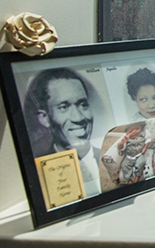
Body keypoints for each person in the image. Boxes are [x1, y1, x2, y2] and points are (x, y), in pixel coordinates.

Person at [26, 67, 102, 197]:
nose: (78, 118)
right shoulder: (38, 173)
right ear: (45, 118)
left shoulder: (114, 158)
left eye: (83, 105)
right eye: (63, 107)